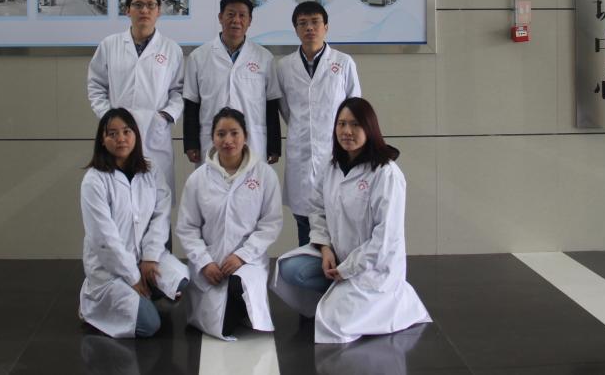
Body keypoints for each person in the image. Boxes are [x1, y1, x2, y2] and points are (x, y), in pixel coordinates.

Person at [271, 97, 431, 344]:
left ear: (370, 128)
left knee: (335, 325)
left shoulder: (386, 174)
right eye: (341, 124)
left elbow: (385, 238)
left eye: (355, 124)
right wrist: (325, 248)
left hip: (372, 268)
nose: (346, 131)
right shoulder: (331, 167)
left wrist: (348, 269)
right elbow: (317, 210)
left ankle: (368, 300)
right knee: (289, 270)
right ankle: (337, 292)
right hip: (338, 255)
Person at [79, 108, 189, 339]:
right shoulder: (94, 181)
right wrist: (133, 277)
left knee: (181, 280)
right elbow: (104, 239)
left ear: (135, 135)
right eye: (112, 134)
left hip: (142, 258)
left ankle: (145, 293)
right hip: (109, 269)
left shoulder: (151, 170)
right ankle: (91, 306)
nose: (121, 138)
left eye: (126, 131)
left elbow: (160, 216)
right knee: (150, 325)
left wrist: (150, 257)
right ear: (102, 140)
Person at [175, 108, 283, 340]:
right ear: (212, 137)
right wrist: (205, 262)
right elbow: (187, 227)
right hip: (210, 263)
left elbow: (270, 223)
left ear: (245, 136)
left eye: (234, 133)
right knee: (219, 325)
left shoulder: (264, 175)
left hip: (248, 262)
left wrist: (242, 256)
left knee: (237, 285)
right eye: (221, 134)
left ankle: (239, 304)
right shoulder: (198, 178)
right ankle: (231, 308)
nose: (228, 140)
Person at [277, 2, 361, 246]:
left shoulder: (344, 63)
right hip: (300, 155)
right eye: (302, 23)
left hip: (336, 152)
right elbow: (286, 110)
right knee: (305, 224)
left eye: (315, 22)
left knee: (339, 221)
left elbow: (355, 107)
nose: (309, 28)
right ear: (295, 29)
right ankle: (308, 265)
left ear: (326, 27)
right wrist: (306, 129)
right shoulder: (284, 66)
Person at [88, 0, 184, 197]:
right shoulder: (109, 45)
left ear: (159, 11)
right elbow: (96, 85)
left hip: (155, 133)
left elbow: (178, 91)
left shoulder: (171, 49)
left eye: (150, 5)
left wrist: (165, 116)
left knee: (157, 199)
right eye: (138, 5)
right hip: (118, 136)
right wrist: (108, 117)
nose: (144, 10)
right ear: (127, 10)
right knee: (119, 198)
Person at [182, 0, 282, 165]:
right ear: (220, 17)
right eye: (230, 14)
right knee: (213, 180)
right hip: (212, 140)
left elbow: (271, 105)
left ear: (249, 21)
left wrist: (274, 146)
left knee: (251, 180)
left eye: (242, 15)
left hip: (253, 140)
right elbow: (191, 104)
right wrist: (191, 143)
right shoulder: (198, 57)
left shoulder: (264, 58)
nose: (236, 20)